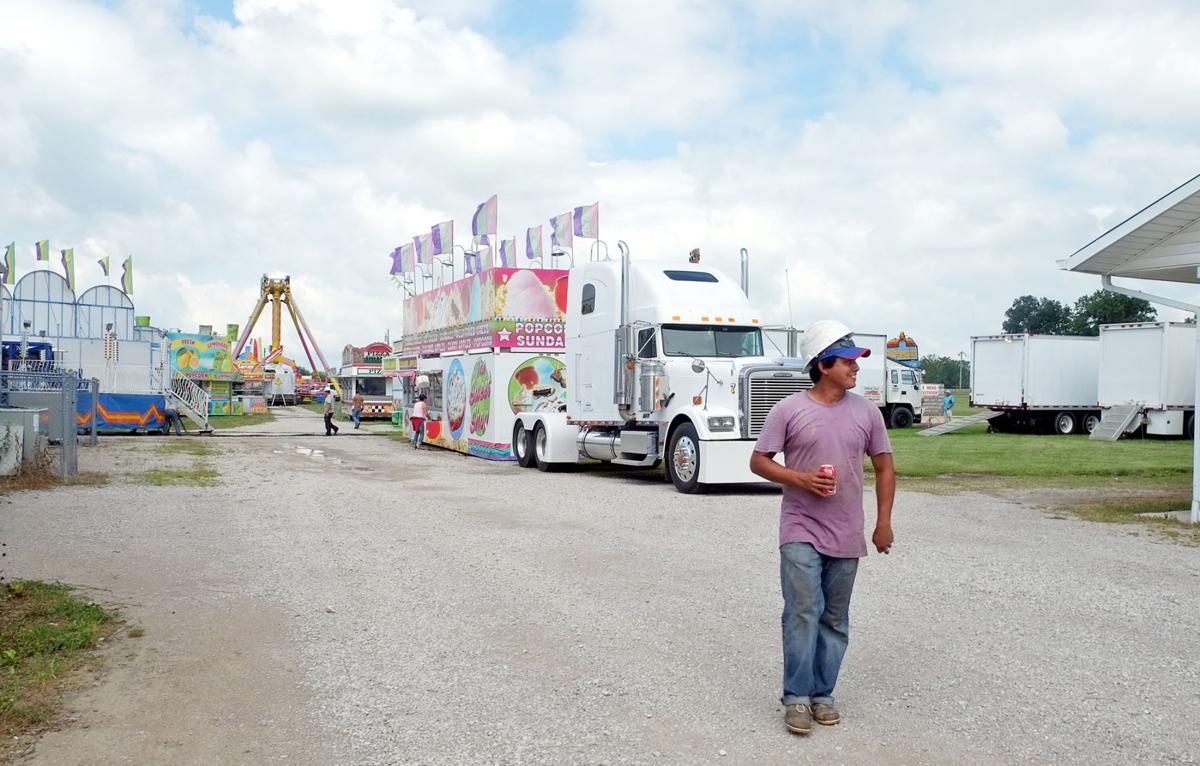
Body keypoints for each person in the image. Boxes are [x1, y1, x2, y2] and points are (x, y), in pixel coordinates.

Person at [749, 319, 896, 737]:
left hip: (847, 532)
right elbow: (759, 461)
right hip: (800, 527)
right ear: (823, 364)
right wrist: (800, 478)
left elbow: (885, 468)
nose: (856, 368)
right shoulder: (789, 410)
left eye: (856, 361)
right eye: (848, 361)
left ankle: (823, 695)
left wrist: (883, 522)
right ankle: (796, 698)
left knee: (834, 617)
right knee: (802, 611)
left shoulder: (867, 412)